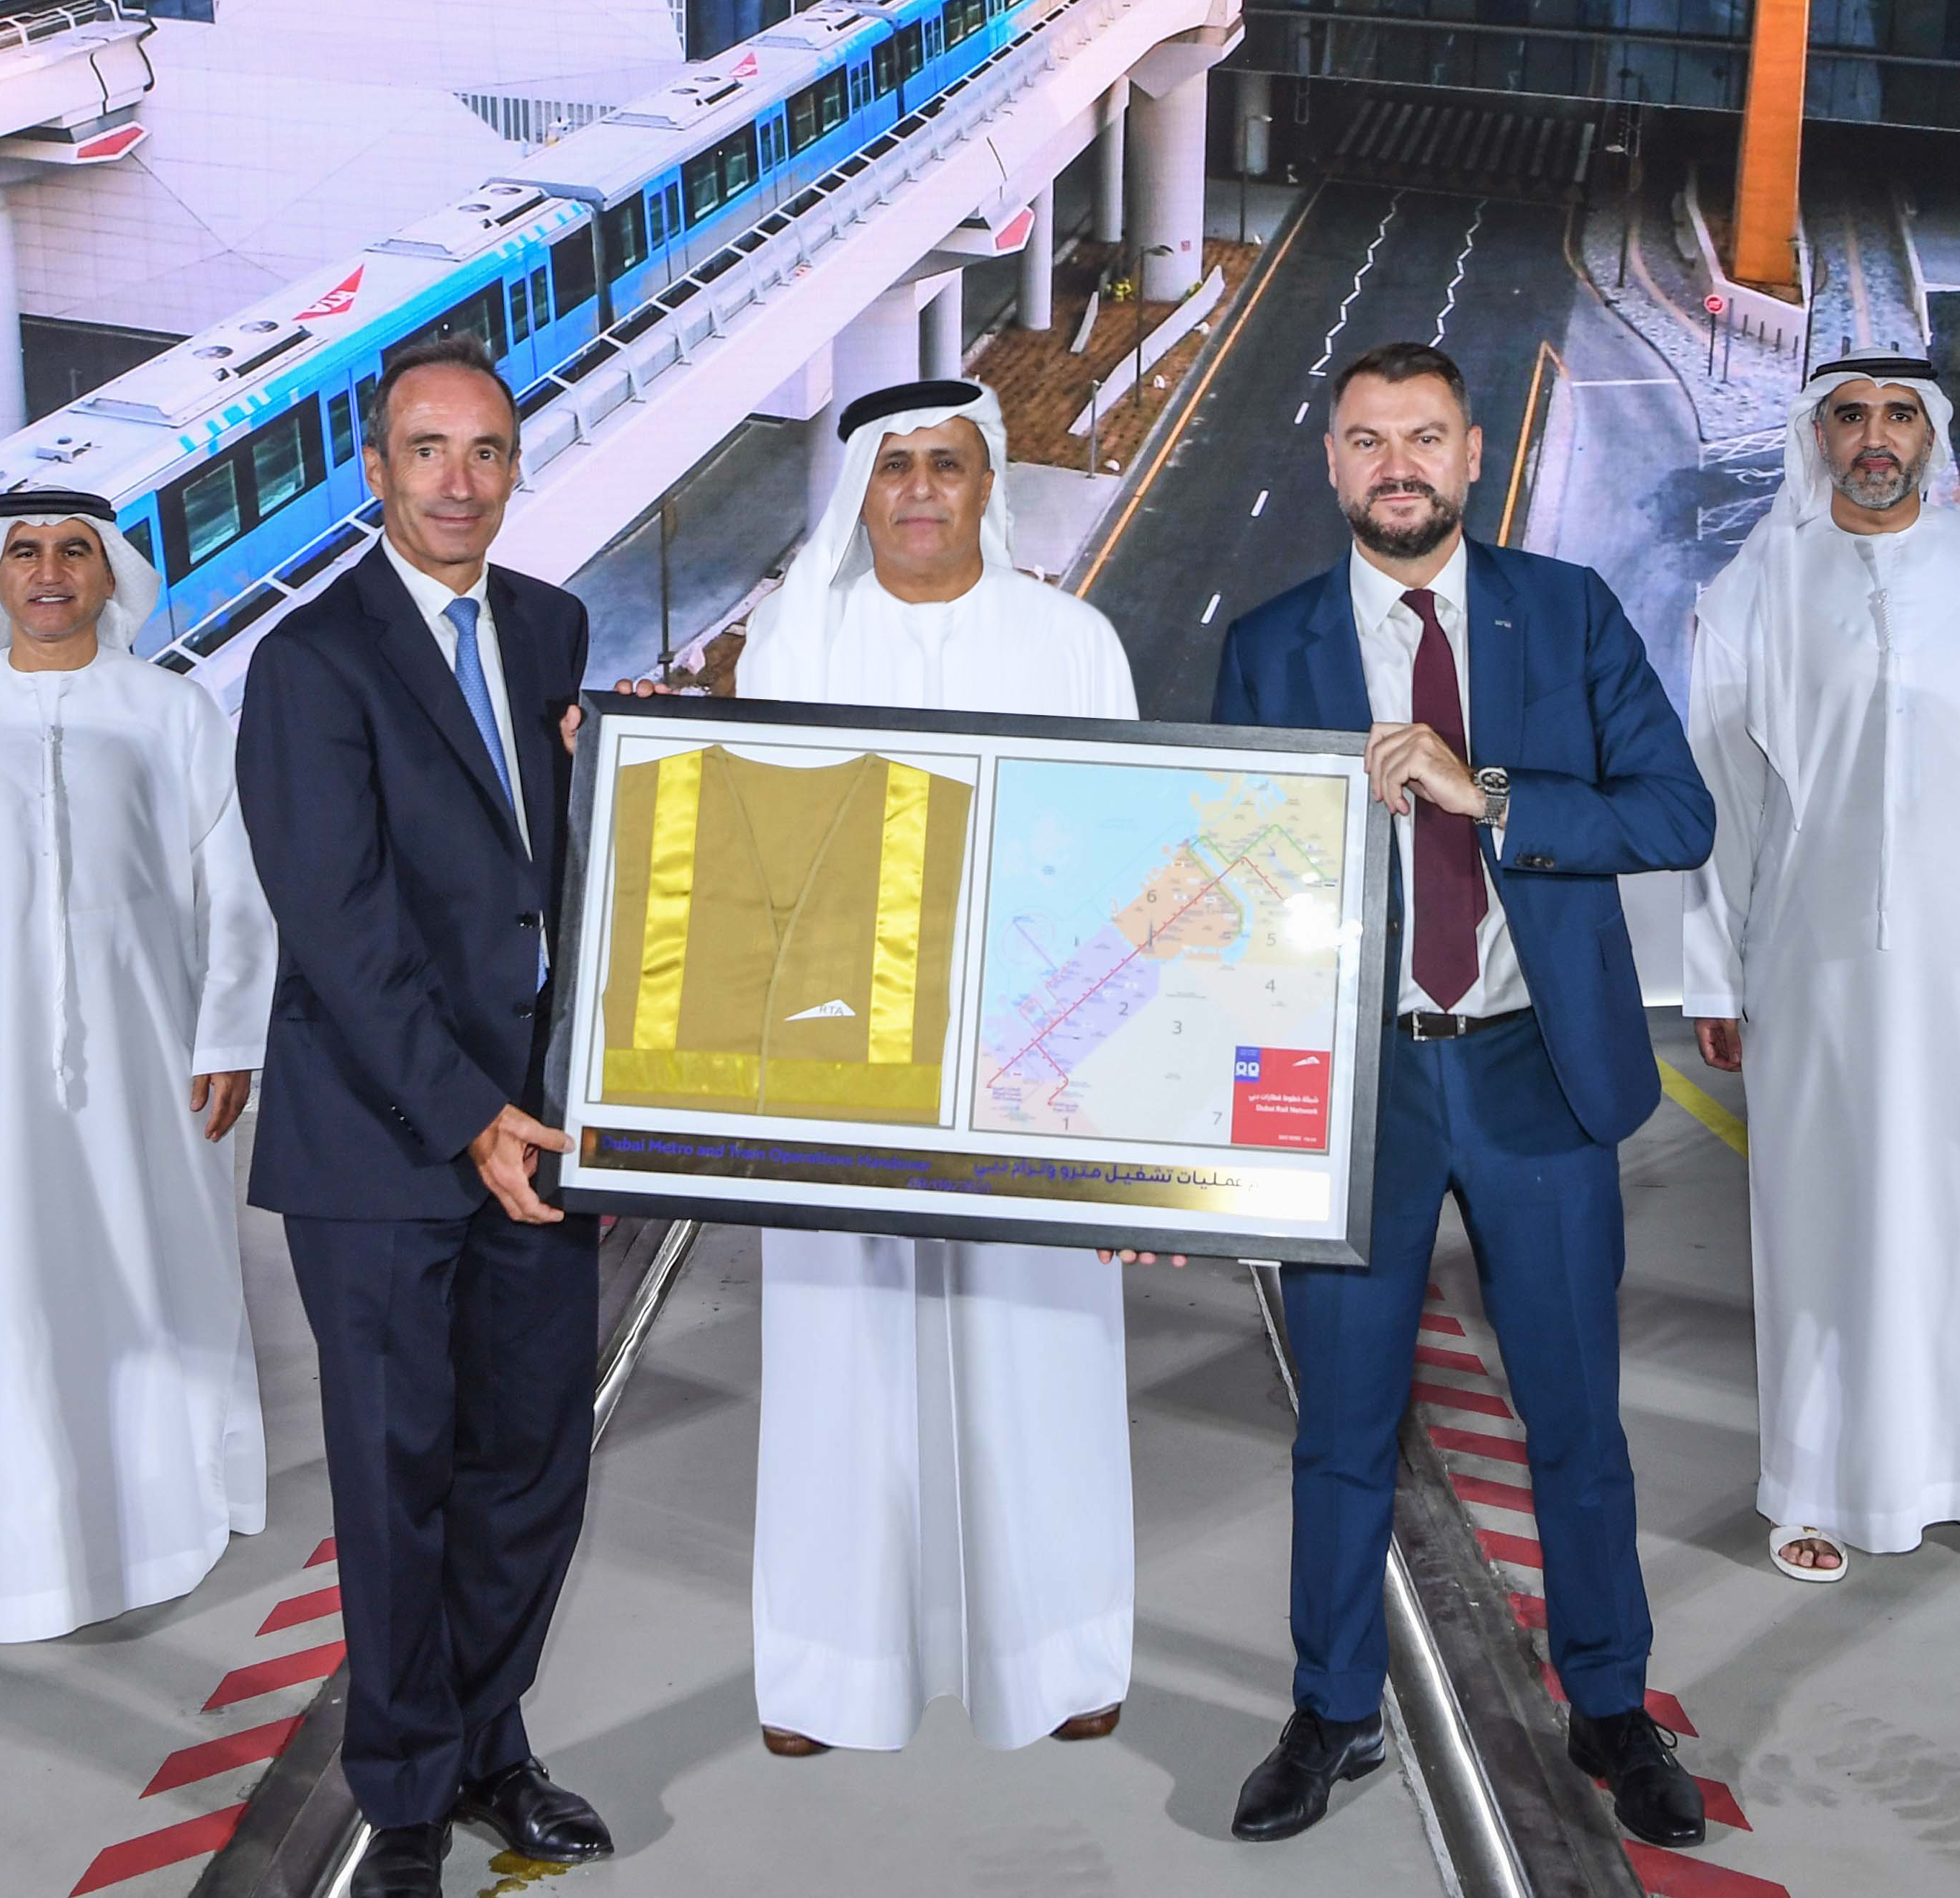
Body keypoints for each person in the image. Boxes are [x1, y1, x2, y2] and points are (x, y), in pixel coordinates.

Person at [1212, 341, 1716, 1849]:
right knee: (1341, 1424)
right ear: (1330, 460)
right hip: (1357, 1078)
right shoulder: (1273, 642)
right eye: (1367, 438)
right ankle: (1330, 1707)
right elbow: (1231, 881)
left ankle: (1609, 1702)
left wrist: (1480, 788)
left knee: (1573, 1415)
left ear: (1474, 452)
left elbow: (1673, 811)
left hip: (1527, 1063)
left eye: (1422, 436)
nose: (1396, 465)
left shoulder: (1564, 612)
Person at [727, 377, 1152, 1758]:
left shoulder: (1071, 641)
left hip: (1030, 1056)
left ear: (988, 485)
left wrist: (1116, 1100)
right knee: (834, 1359)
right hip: (836, 1056)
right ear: (861, 490)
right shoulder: (795, 641)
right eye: (895, 464)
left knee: (1045, 1351)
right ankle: (826, 1674)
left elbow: (1121, 856)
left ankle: (1061, 1658)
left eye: (947, 463)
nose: (919, 488)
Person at [235, 333, 610, 1898]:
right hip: (386, 1138)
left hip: (542, 1129)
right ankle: (400, 1793)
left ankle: (487, 1743)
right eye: (428, 449)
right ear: (375, 468)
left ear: (515, 467)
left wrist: (625, 779)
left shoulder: (553, 627)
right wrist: (472, 1115)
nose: (459, 481)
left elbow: (558, 877)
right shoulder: (311, 661)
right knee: (398, 1478)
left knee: (528, 1461)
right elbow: (340, 923)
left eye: (486, 449)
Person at [1681, 356, 1960, 1585]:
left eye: (1899, 415)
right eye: (1851, 415)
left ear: (1932, 434)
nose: (1875, 436)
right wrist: (1712, 973)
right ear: (1816, 435)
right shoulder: (1757, 584)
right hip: (1813, 961)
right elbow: (1722, 799)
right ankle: (1815, 1485)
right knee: (1826, 1216)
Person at [0, 488, 275, 1643]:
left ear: (108, 573)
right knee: (25, 1295)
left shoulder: (170, 710)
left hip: (153, 1060)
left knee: (167, 1273)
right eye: (24, 551)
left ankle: (187, 1498)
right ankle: (48, 1557)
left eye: (74, 550)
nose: (48, 570)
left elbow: (233, 887)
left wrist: (228, 1034)